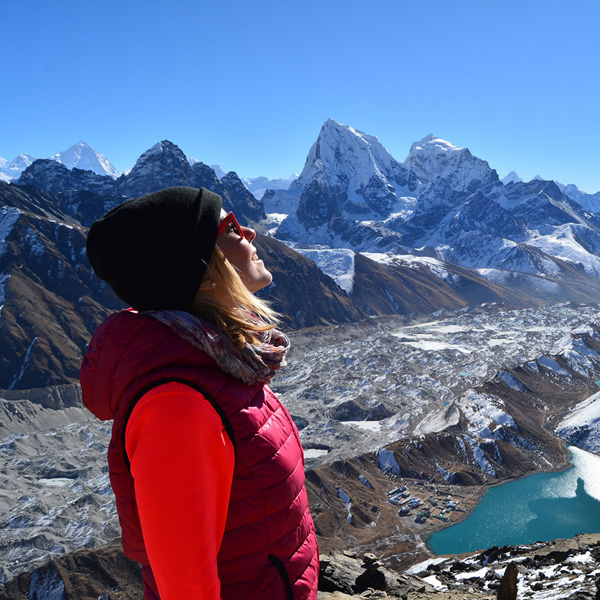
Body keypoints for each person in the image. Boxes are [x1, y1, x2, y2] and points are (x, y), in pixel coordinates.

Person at [80, 186, 319, 600]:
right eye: (231, 227)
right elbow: (186, 588)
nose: (250, 232)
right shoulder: (177, 407)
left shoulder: (222, 362)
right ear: (204, 273)